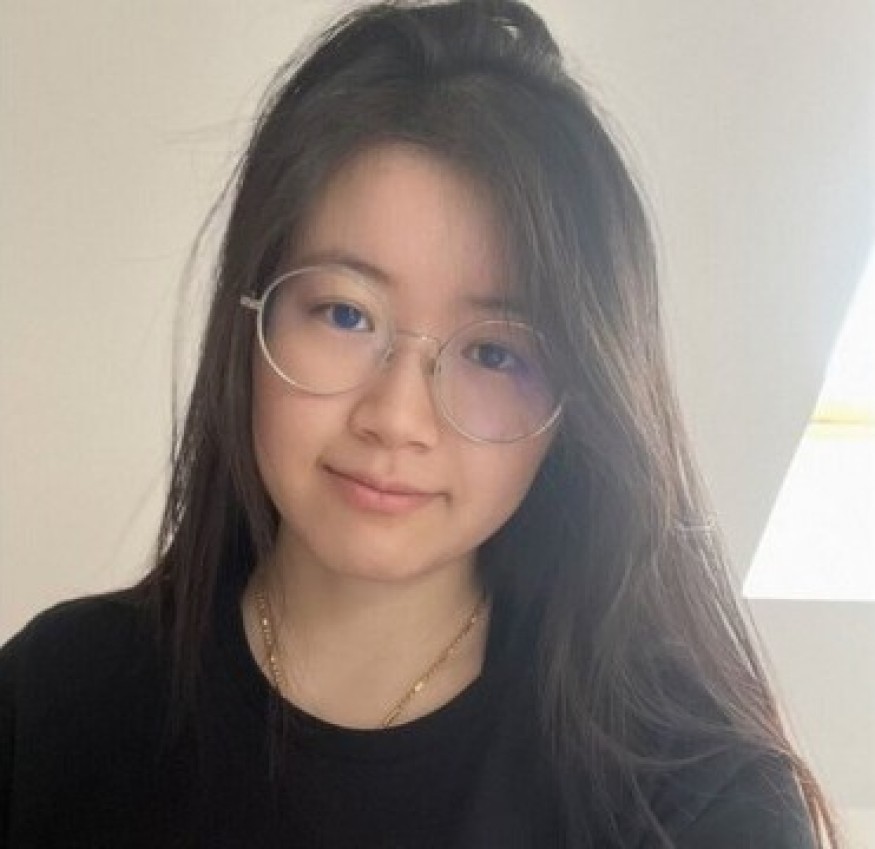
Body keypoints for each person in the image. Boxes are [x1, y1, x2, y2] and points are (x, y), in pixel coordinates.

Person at [0, 1, 839, 847]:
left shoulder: (694, 796)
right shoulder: (57, 698)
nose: (396, 418)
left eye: (494, 353)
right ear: (249, 318)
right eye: (344, 313)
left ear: (577, 401)